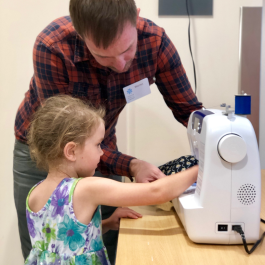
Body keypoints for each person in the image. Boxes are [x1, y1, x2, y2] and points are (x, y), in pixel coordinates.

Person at [13, 0, 202, 263]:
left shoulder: (155, 42)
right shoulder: (52, 47)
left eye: (128, 49)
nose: (121, 64)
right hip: (44, 147)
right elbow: (155, 193)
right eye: (103, 56)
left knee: (106, 239)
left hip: (96, 147)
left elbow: (189, 111)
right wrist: (203, 167)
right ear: (80, 33)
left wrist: (218, 135)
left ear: (136, 17)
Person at [24, 95, 198, 265]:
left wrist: (106, 224)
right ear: (71, 151)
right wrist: (200, 169)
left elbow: (60, 241)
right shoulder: (85, 188)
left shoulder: (35, 192)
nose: (101, 152)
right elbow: (157, 192)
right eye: (98, 144)